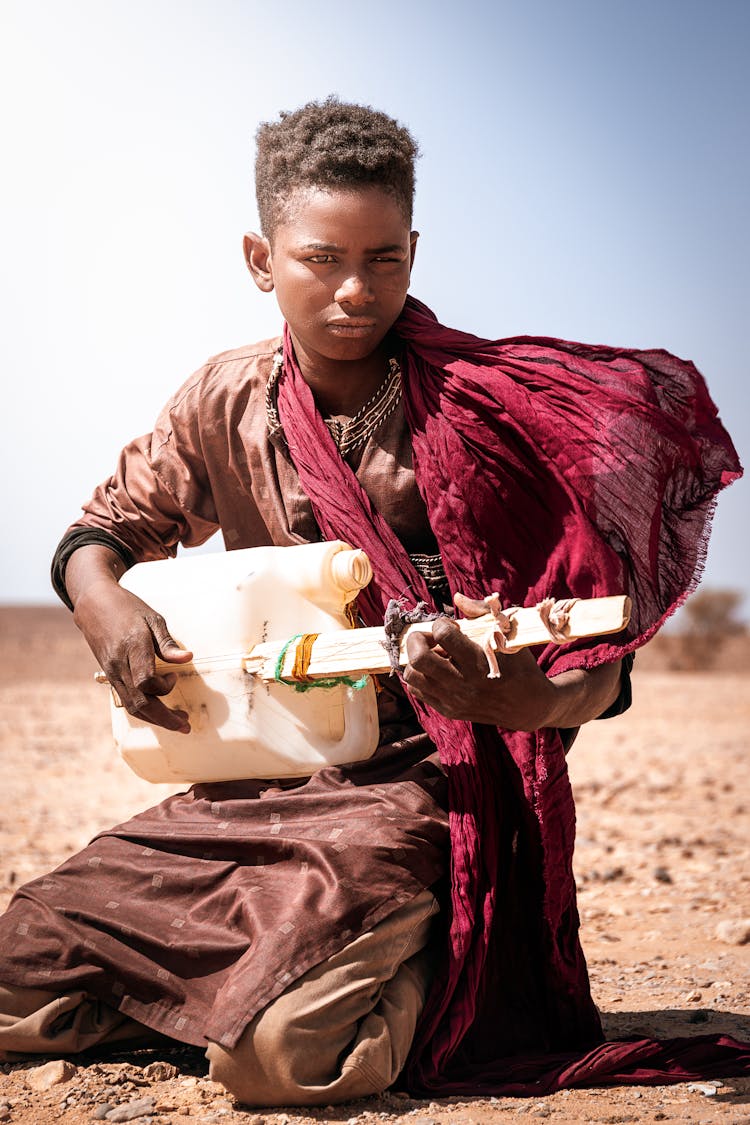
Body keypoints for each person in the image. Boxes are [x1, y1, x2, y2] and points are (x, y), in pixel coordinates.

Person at [0, 98, 745, 1104]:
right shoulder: (222, 398)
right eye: (322, 260)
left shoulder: (484, 413)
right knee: (20, 959)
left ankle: (439, 964)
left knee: (284, 1060)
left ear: (413, 251)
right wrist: (106, 607)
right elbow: (102, 533)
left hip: (423, 786)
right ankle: (240, 979)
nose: (357, 291)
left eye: (385, 260)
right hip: (260, 787)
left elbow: (595, 670)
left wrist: (522, 703)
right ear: (262, 259)